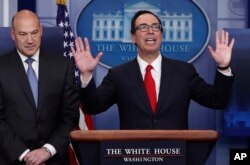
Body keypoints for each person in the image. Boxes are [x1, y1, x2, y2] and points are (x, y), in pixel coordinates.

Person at [72, 10, 235, 164]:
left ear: (161, 35)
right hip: (132, 158)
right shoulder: (118, 75)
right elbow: (93, 107)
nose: (150, 31)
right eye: (143, 27)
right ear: (133, 37)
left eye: (155, 27)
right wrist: (86, 75)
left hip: (177, 157)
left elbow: (217, 100)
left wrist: (223, 67)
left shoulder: (184, 71)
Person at [0, 10, 79, 165]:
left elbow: (70, 117)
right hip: (12, 159)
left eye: (34, 32)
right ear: (12, 34)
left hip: (53, 159)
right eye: (23, 34)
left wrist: (47, 151)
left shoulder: (63, 66)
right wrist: (25, 155)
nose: (30, 40)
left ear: (41, 31)